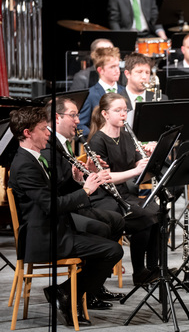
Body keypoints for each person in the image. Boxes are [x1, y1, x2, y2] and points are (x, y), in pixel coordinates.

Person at [8, 106, 123, 326]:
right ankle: (67, 293)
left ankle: (67, 293)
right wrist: (86, 191)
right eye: (43, 129)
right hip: (45, 238)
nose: (48, 133)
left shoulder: (33, 159)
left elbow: (53, 194)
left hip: (56, 229)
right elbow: (51, 206)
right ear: (27, 133)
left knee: (105, 238)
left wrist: (78, 180)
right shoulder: (25, 166)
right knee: (112, 250)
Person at [43, 97, 126, 309]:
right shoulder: (47, 146)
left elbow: (64, 181)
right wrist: (85, 187)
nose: (78, 121)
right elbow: (53, 190)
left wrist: (81, 177)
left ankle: (94, 284)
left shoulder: (62, 142)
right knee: (103, 228)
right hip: (62, 212)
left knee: (116, 220)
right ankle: (84, 289)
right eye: (73, 115)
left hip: (72, 204)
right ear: (57, 117)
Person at [87, 92, 161, 286]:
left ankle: (154, 268)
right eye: (117, 110)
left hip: (124, 194)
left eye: (125, 110)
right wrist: (135, 170)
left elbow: (139, 166)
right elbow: (105, 178)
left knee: (158, 212)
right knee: (144, 217)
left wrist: (150, 155)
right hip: (105, 198)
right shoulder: (98, 141)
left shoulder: (127, 135)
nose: (123, 114)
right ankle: (140, 272)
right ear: (105, 114)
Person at [78, 47, 127, 137]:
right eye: (112, 67)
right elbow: (80, 125)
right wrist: (96, 138)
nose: (117, 70)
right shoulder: (90, 94)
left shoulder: (125, 91)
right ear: (100, 70)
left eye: (118, 66)